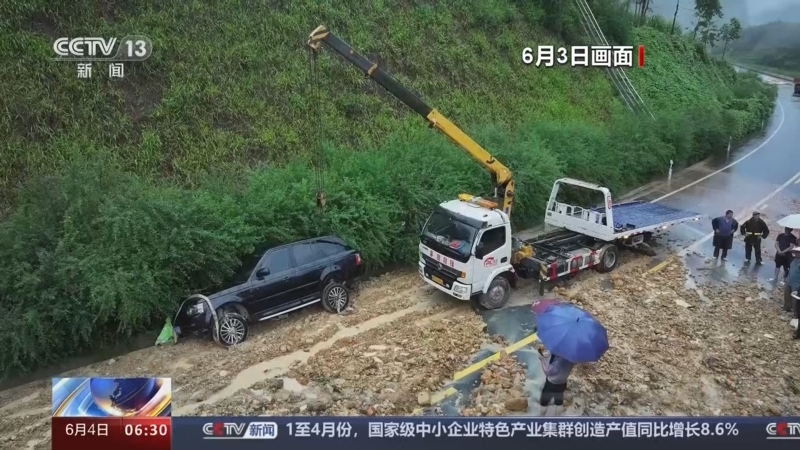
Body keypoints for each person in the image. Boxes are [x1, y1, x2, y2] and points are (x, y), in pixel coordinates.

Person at [539, 351, 574, 416]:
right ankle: (557, 418)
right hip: (562, 383)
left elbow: (547, 372)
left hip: (551, 384)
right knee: (559, 402)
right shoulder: (571, 360)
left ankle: (541, 418)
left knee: (544, 403)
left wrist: (542, 360)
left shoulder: (558, 363)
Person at [784, 247, 800, 317]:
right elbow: (789, 269)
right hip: (789, 280)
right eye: (796, 252)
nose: (797, 253)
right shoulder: (793, 260)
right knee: (787, 295)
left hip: (797, 283)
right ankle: (787, 308)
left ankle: (795, 313)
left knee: (795, 299)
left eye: (798, 252)